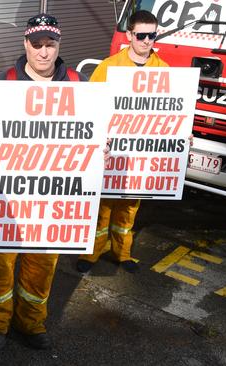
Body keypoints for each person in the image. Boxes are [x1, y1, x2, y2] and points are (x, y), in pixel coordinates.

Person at [0, 13, 87, 352]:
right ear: (26, 44)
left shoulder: (79, 84)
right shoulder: (5, 81)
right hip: (9, 195)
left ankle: (31, 323)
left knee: (42, 265)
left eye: (50, 44)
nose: (43, 52)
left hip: (53, 199)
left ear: (58, 45)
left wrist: (101, 148)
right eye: (37, 44)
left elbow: (95, 131)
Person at [76, 10, 168, 275]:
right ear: (129, 35)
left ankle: (122, 253)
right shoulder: (109, 67)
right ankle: (91, 254)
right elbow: (90, 106)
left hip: (140, 157)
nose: (147, 41)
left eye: (152, 35)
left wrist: (181, 133)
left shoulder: (164, 71)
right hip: (110, 151)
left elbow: (171, 114)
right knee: (103, 207)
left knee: (128, 207)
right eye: (141, 35)